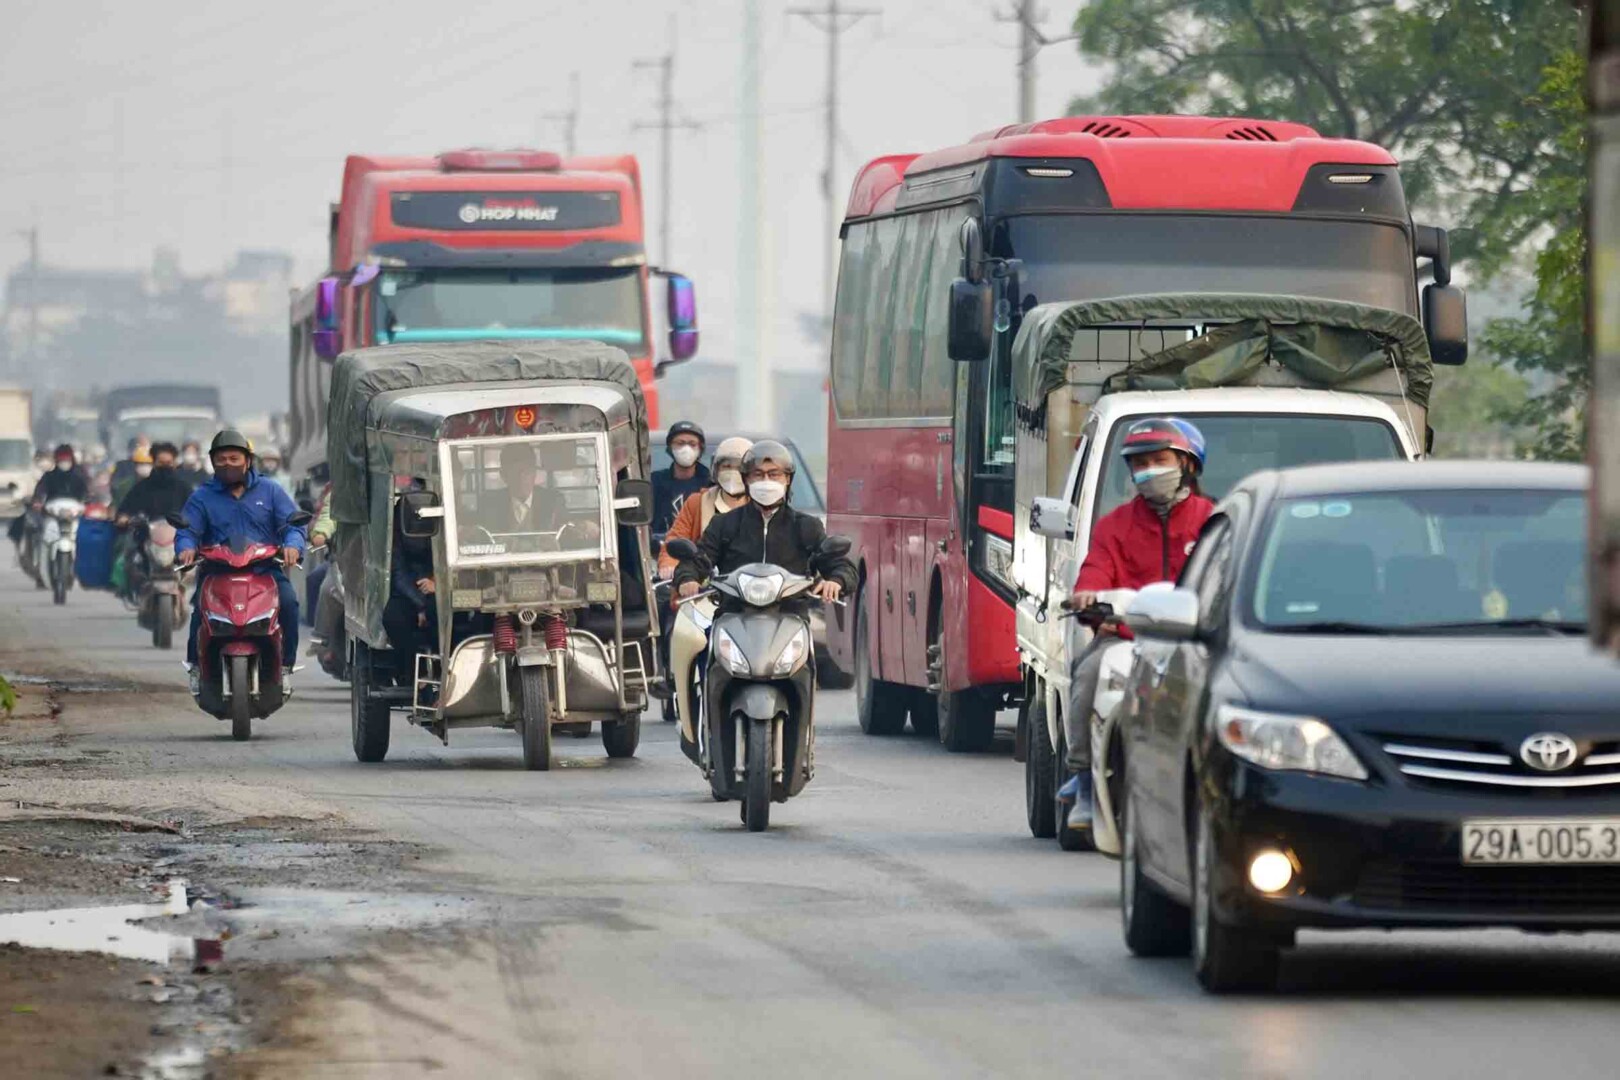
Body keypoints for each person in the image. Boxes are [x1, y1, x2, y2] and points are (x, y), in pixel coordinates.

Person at [1059, 417, 1214, 835]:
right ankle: (1085, 780)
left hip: (1192, 644)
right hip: (1125, 640)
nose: (1149, 471)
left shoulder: (1213, 521)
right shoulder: (1115, 525)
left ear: (1188, 465)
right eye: (1139, 464)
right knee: (1088, 672)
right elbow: (1094, 572)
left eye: (1159, 460)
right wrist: (1088, 597)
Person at [176, 429, 306, 695]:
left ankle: (285, 666)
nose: (227, 464)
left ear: (247, 460)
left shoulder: (270, 490)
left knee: (290, 604)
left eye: (234, 458)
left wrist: (293, 545)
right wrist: (186, 548)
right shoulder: (202, 496)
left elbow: (292, 525)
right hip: (217, 572)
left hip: (264, 570)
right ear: (212, 462)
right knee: (199, 612)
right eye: (221, 459)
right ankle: (196, 667)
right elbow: (187, 530)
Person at [673, 439, 854, 613]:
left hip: (790, 617)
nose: (766, 481)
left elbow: (838, 564)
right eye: (758, 475)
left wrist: (837, 580)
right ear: (746, 480)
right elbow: (698, 560)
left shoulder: (806, 526)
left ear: (788, 479)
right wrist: (687, 578)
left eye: (774, 474)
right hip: (734, 615)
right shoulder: (724, 523)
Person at [657, 436, 753, 583]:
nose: (733, 473)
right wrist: (669, 566)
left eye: (739, 467)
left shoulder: (761, 506)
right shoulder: (697, 502)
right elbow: (676, 539)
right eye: (727, 467)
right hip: (704, 591)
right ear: (716, 469)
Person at [115, 442, 193, 598]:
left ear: (175, 463)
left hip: (177, 537)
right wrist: (124, 517)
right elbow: (126, 507)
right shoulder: (142, 487)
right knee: (128, 556)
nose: (165, 466)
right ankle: (130, 589)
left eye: (168, 463)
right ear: (154, 462)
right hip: (146, 534)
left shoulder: (183, 487)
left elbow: (197, 509)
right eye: (160, 463)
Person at [381, 486, 436, 683]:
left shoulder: (446, 518)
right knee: (393, 618)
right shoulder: (398, 526)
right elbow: (398, 571)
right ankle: (410, 673)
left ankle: (443, 672)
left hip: (442, 589)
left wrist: (437, 583)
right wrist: (420, 604)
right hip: (409, 592)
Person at [651, 421, 709, 537]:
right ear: (670, 447)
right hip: (660, 549)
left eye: (692, 444)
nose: (686, 449)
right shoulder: (654, 482)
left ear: (700, 449)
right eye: (680, 443)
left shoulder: (710, 484)